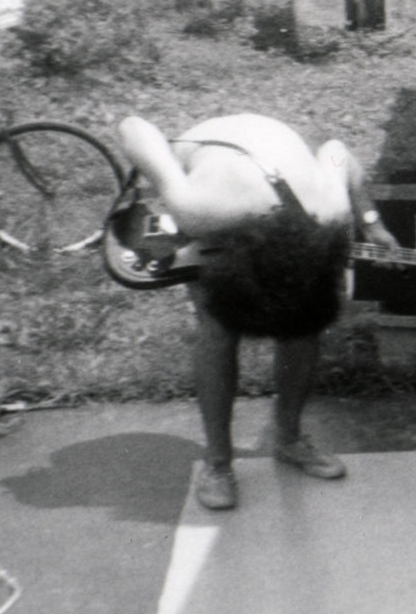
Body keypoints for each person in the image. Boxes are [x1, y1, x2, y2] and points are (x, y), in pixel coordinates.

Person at [116, 113, 399, 510]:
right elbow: (133, 127)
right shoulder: (198, 209)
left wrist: (370, 221)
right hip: (216, 173)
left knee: (302, 326)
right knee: (218, 329)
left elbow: (337, 153)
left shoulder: (329, 209)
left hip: (276, 173)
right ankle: (217, 463)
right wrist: (143, 183)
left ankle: (289, 439)